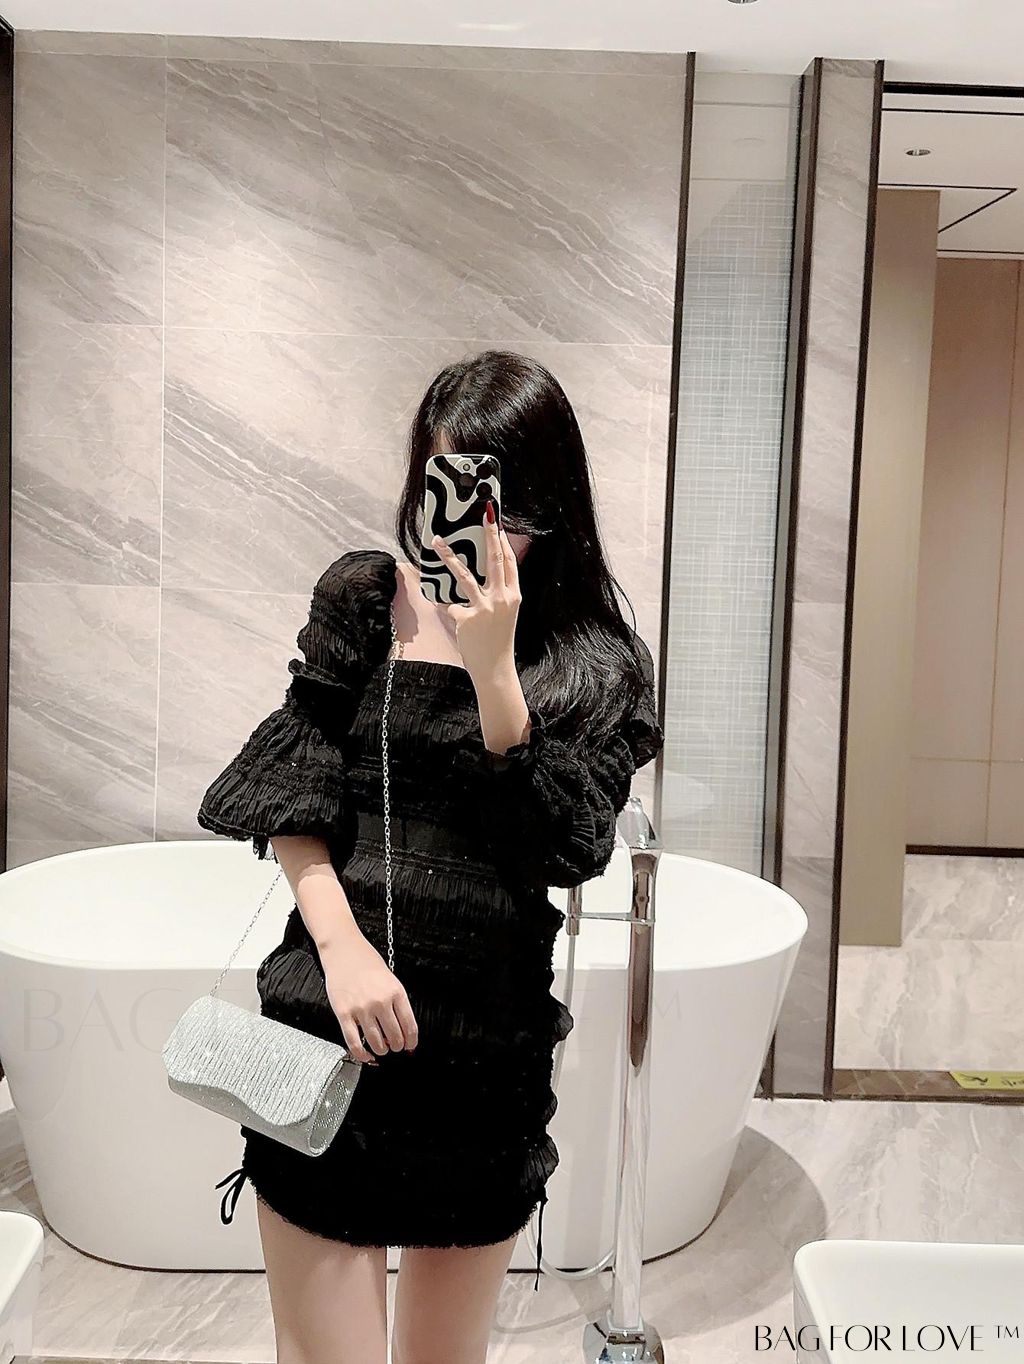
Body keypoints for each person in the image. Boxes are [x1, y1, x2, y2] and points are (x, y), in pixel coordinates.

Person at [196, 349, 664, 1364]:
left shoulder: (596, 663)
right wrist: (341, 950)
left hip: (483, 1062)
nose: (479, 524)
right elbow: (295, 791)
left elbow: (564, 847)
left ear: (551, 499)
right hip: (328, 1029)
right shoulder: (367, 600)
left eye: (504, 499)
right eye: (453, 483)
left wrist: (497, 675)